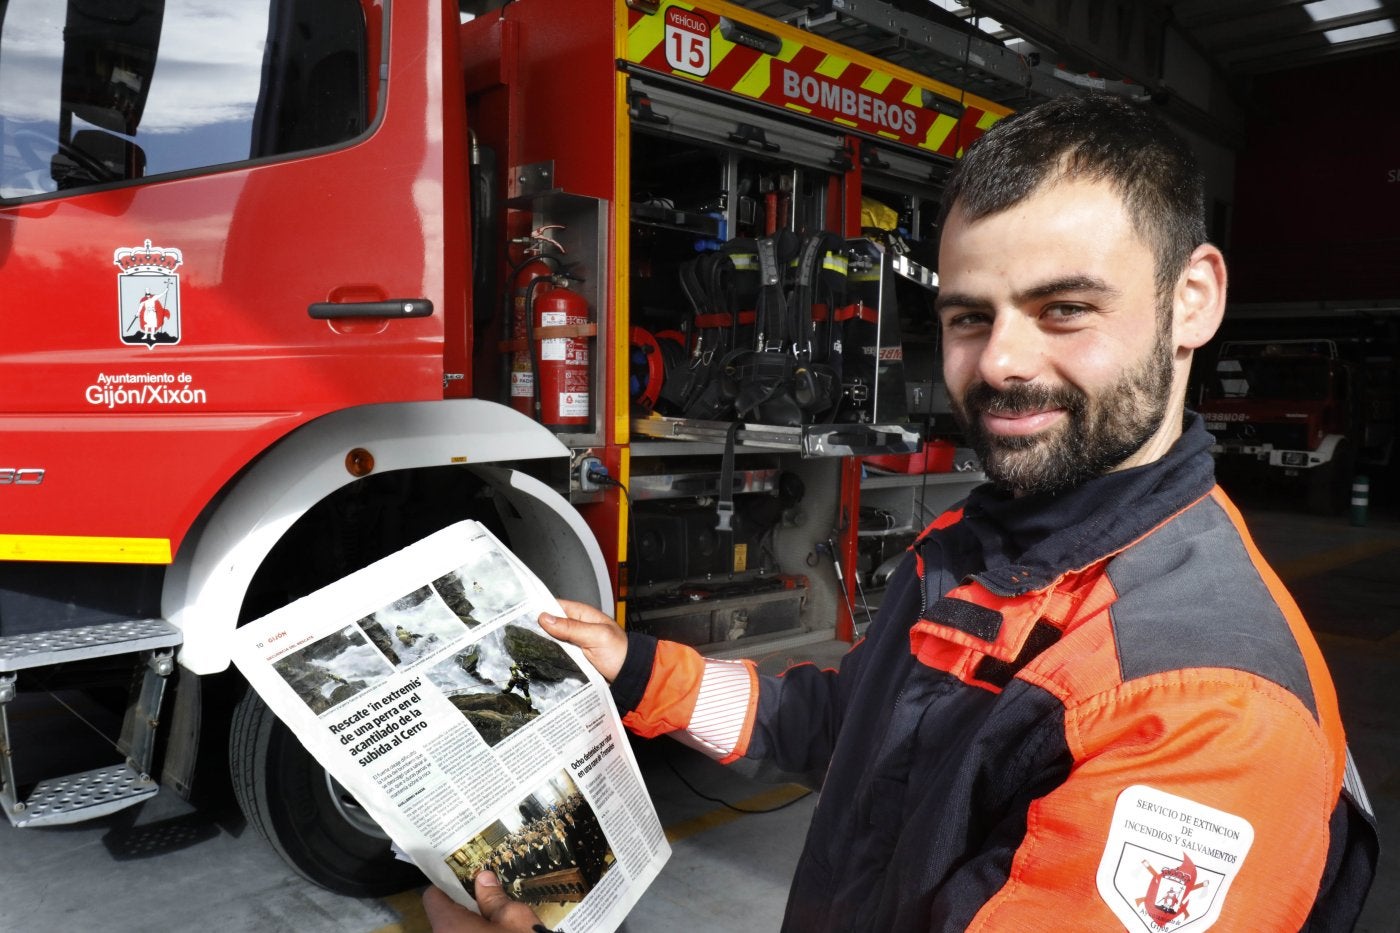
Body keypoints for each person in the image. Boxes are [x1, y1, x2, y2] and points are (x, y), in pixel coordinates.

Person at [425, 94, 1378, 931]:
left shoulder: (1201, 710)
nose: (1000, 362)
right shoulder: (975, 549)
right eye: (971, 315)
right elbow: (848, 730)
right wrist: (636, 669)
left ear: (1194, 300)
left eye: (1063, 309)